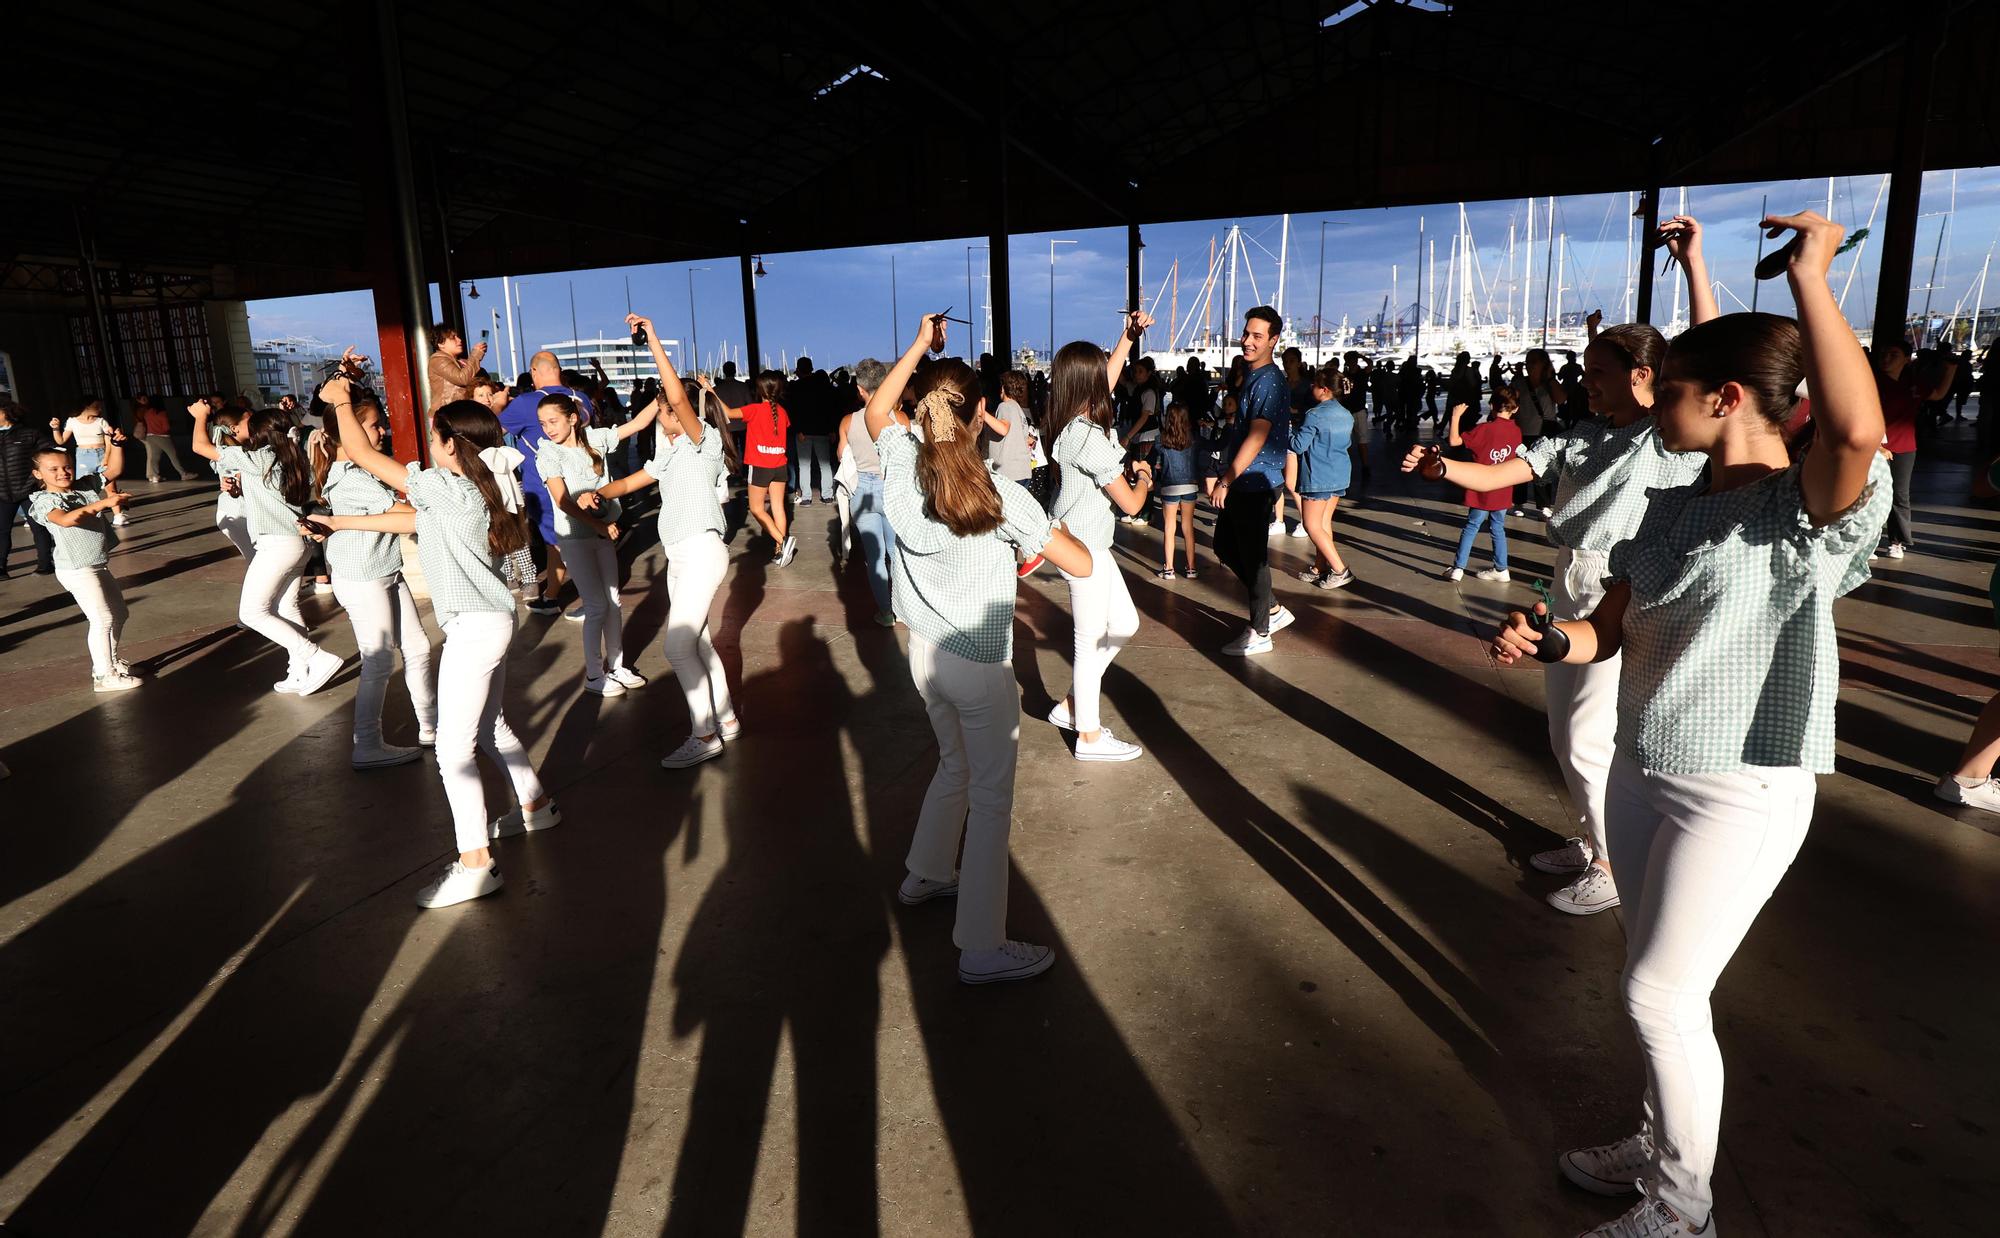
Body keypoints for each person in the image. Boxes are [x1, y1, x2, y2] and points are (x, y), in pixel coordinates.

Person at [1492, 210, 1888, 1238]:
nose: (1647, 402)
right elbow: (1603, 632)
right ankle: (1661, 1140)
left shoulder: (1797, 512)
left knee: (1658, 995)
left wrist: (1810, 279)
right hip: (1642, 769)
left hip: (1740, 787)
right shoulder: (1668, 511)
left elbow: (1850, 432)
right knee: (1651, 983)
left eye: (1665, 388)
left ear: (1719, 399)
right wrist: (1547, 641)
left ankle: (1682, 1211)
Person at [866, 314, 1094, 984]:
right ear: (979, 417)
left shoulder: (903, 464)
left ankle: (926, 875)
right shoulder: (1003, 499)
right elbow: (1078, 564)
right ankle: (981, 946)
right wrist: (1050, 528)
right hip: (979, 668)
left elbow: (881, 406)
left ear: (924, 412)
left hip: (925, 657)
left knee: (954, 768)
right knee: (991, 795)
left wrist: (916, 344)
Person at [316, 371, 560, 909]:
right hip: (493, 620)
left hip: (474, 628)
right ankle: (536, 805)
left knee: (453, 752)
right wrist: (339, 521)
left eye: (434, 438)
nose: (428, 446)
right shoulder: (482, 485)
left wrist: (338, 403)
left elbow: (357, 450)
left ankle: (476, 864)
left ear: (451, 445)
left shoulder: (447, 487)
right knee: (490, 726)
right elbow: (410, 517)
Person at [584, 314, 741, 767]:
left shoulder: (702, 441)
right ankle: (726, 719)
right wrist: (598, 493)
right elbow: (632, 482)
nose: (660, 413)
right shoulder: (670, 452)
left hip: (701, 552)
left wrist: (653, 339)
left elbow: (675, 393)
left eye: (665, 409)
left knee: (677, 646)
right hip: (680, 556)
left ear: (683, 412)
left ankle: (705, 733)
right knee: (701, 642)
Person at [1045, 310, 1156, 763]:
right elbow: (1131, 504)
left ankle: (1072, 704)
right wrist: (1145, 475)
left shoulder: (1071, 419)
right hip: (1082, 548)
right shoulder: (1087, 436)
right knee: (1089, 642)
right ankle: (1087, 737)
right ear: (1085, 386)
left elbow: (1106, 379)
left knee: (1125, 624)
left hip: (1089, 542)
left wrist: (1128, 338)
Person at [309, 393, 438, 768]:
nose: (381, 430)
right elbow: (410, 517)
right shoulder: (350, 477)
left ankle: (429, 726)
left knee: (416, 647)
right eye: (372, 425)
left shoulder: (362, 471)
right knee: (379, 660)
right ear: (345, 433)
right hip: (363, 577)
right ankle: (366, 744)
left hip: (383, 569)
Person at [190, 398, 343, 696]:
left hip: (276, 545)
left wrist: (200, 417)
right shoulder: (294, 458)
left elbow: (200, 447)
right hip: (297, 543)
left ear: (260, 435)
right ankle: (299, 671)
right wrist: (237, 489)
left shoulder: (258, 458)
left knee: (252, 613)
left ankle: (315, 656)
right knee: (287, 606)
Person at [534, 390, 658, 696]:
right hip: (575, 538)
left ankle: (617, 666)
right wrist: (599, 525)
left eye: (553, 421)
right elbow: (562, 501)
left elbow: (640, 423)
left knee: (613, 602)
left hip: (602, 534)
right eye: (543, 423)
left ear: (572, 419)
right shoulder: (549, 453)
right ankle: (593, 675)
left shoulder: (597, 439)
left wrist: (665, 396)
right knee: (595, 604)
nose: (548, 428)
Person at [1208, 306, 1296, 656]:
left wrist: (1226, 478)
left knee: (1254, 558)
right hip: (1246, 481)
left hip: (1255, 482)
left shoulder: (1270, 380)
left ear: (1273, 340)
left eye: (1257, 336)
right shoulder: (1254, 375)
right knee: (1225, 546)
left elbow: (1258, 435)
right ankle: (1271, 609)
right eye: (1246, 333)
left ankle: (1261, 630)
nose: (1247, 341)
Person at [27, 443, 138, 691]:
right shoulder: (45, 500)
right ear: (38, 474)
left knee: (120, 614)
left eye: (67, 466)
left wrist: (117, 444)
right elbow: (66, 520)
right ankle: (104, 675)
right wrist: (104, 504)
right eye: (53, 469)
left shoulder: (83, 486)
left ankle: (110, 662)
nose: (62, 472)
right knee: (102, 618)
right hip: (77, 569)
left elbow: (114, 469)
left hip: (97, 564)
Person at [499, 350, 594, 615]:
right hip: (582, 479)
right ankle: (552, 596)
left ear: (534, 372)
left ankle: (592, 598)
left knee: (565, 542)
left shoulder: (525, 402)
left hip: (545, 486)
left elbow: (493, 430)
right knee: (562, 541)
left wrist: (496, 405)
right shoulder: (581, 399)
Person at [1871, 336, 1954, 559]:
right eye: (1883, 355)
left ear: (1907, 359)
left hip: (1905, 447)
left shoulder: (1913, 382)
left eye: (1893, 355)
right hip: (1873, 446)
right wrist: (1876, 444)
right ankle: (1867, 542)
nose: (1886, 359)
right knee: (1871, 494)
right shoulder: (1871, 382)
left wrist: (1950, 371)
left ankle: (1897, 541)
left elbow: (1937, 394)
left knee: (1900, 494)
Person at [835, 358, 903, 626]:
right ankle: (902, 606)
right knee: (896, 552)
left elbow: (842, 454)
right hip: (892, 488)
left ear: (860, 390)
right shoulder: (898, 418)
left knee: (875, 557)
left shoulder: (848, 421)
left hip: (862, 491)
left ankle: (885, 613)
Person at [704, 369, 794, 565]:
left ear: (759, 389)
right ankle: (780, 550)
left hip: (760, 466)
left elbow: (727, 412)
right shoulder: (783, 412)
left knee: (756, 508)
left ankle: (782, 541)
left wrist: (710, 389)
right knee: (778, 507)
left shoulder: (754, 410)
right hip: (780, 465)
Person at [1287, 364, 1355, 590]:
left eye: (1315, 384)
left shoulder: (1314, 415)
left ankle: (1339, 569)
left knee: (1311, 525)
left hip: (1318, 476)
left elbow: (1298, 446)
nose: (1311, 387)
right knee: (1324, 523)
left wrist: (1286, 429)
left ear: (1324, 389)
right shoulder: (1346, 415)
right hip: (1339, 474)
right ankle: (1319, 567)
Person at [1444, 388, 1522, 582]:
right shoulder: (1516, 432)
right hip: (1503, 487)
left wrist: (1456, 416)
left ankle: (1458, 568)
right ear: (1515, 409)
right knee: (1498, 527)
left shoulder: (1484, 429)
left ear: (1491, 406)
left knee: (1472, 526)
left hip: (1481, 487)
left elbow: (1454, 441)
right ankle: (1501, 568)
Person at [0, 396, 59, 577]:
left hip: (29, 489)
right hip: (2, 492)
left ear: (6, 412)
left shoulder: (28, 434)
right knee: (1, 531)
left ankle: (45, 564)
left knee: (38, 527)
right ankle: (1, 568)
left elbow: (49, 452)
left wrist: (40, 479)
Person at [1514, 349, 1567, 516]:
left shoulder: (1549, 383)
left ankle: (1543, 503)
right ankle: (1518, 502)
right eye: (1527, 361)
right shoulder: (1518, 383)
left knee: (1543, 470)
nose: (1529, 365)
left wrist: (1551, 378)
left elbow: (1561, 399)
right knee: (1519, 467)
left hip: (1543, 433)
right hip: (1522, 431)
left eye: (1533, 361)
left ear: (1544, 363)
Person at [1154, 400, 1201, 580]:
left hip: (1169, 487)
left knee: (1169, 527)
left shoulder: (1161, 440)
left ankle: (1169, 569)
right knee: (1188, 527)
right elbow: (1215, 446)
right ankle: (1191, 568)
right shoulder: (1193, 439)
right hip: (1190, 485)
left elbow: (1155, 460)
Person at [789, 357, 837, 506]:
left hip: (803, 432)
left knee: (804, 465)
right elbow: (830, 409)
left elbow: (794, 411)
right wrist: (832, 429)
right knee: (825, 464)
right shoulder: (824, 386)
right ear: (811, 368)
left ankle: (807, 498)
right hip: (823, 430)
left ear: (799, 369)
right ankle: (828, 495)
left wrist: (798, 429)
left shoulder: (795, 387)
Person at [980, 369, 1035, 484]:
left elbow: (1003, 429)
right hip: (1022, 470)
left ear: (1003, 388)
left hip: (1008, 472)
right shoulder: (1018, 410)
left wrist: (982, 413)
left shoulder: (1005, 406)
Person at [426, 325, 488, 414]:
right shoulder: (438, 360)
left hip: (459, 414)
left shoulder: (461, 362)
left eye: (457, 337)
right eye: (453, 338)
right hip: (447, 416)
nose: (459, 340)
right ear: (440, 344)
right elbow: (462, 378)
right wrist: (475, 355)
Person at [134, 394, 190, 482]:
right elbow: (166, 428)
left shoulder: (147, 413)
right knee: (173, 455)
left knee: (154, 457)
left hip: (150, 436)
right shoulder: (162, 413)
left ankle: (155, 476)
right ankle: (183, 474)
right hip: (163, 437)